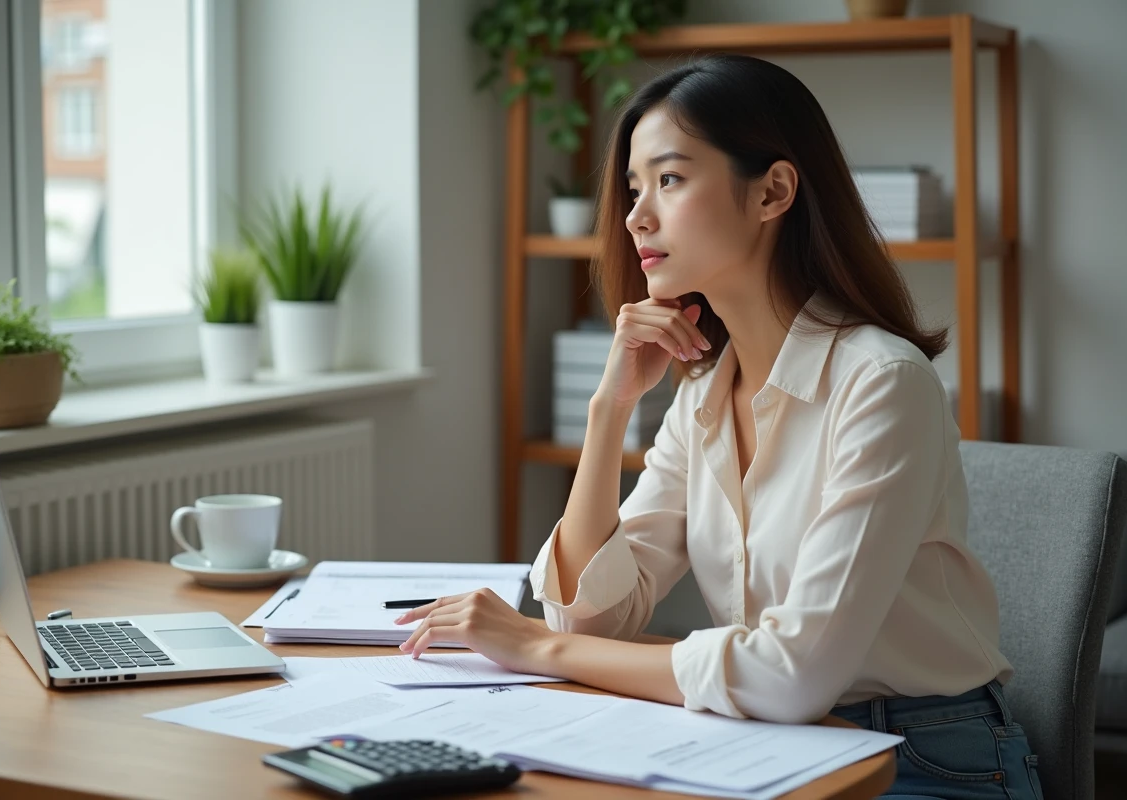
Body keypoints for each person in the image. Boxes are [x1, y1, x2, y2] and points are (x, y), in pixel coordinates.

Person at [395, 54, 1042, 799]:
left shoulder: (882, 385)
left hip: (923, 759)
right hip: (765, 742)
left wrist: (536, 647)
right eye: (635, 188)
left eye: (669, 180)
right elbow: (592, 618)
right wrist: (609, 410)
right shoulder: (704, 392)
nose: (636, 214)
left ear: (772, 192)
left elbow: (791, 675)